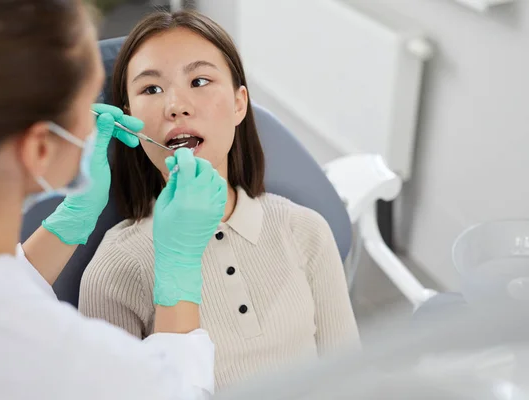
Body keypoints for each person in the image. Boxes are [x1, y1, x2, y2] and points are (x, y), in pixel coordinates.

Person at [0, 1, 227, 399]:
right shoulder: (79, 367)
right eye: (85, 105)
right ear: (40, 149)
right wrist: (179, 274)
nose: (175, 106)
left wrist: (68, 222)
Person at [78, 10, 360, 391]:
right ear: (129, 120)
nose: (176, 105)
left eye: (199, 80)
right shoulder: (114, 269)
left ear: (239, 103)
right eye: (151, 89)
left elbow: (353, 381)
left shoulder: (304, 230)